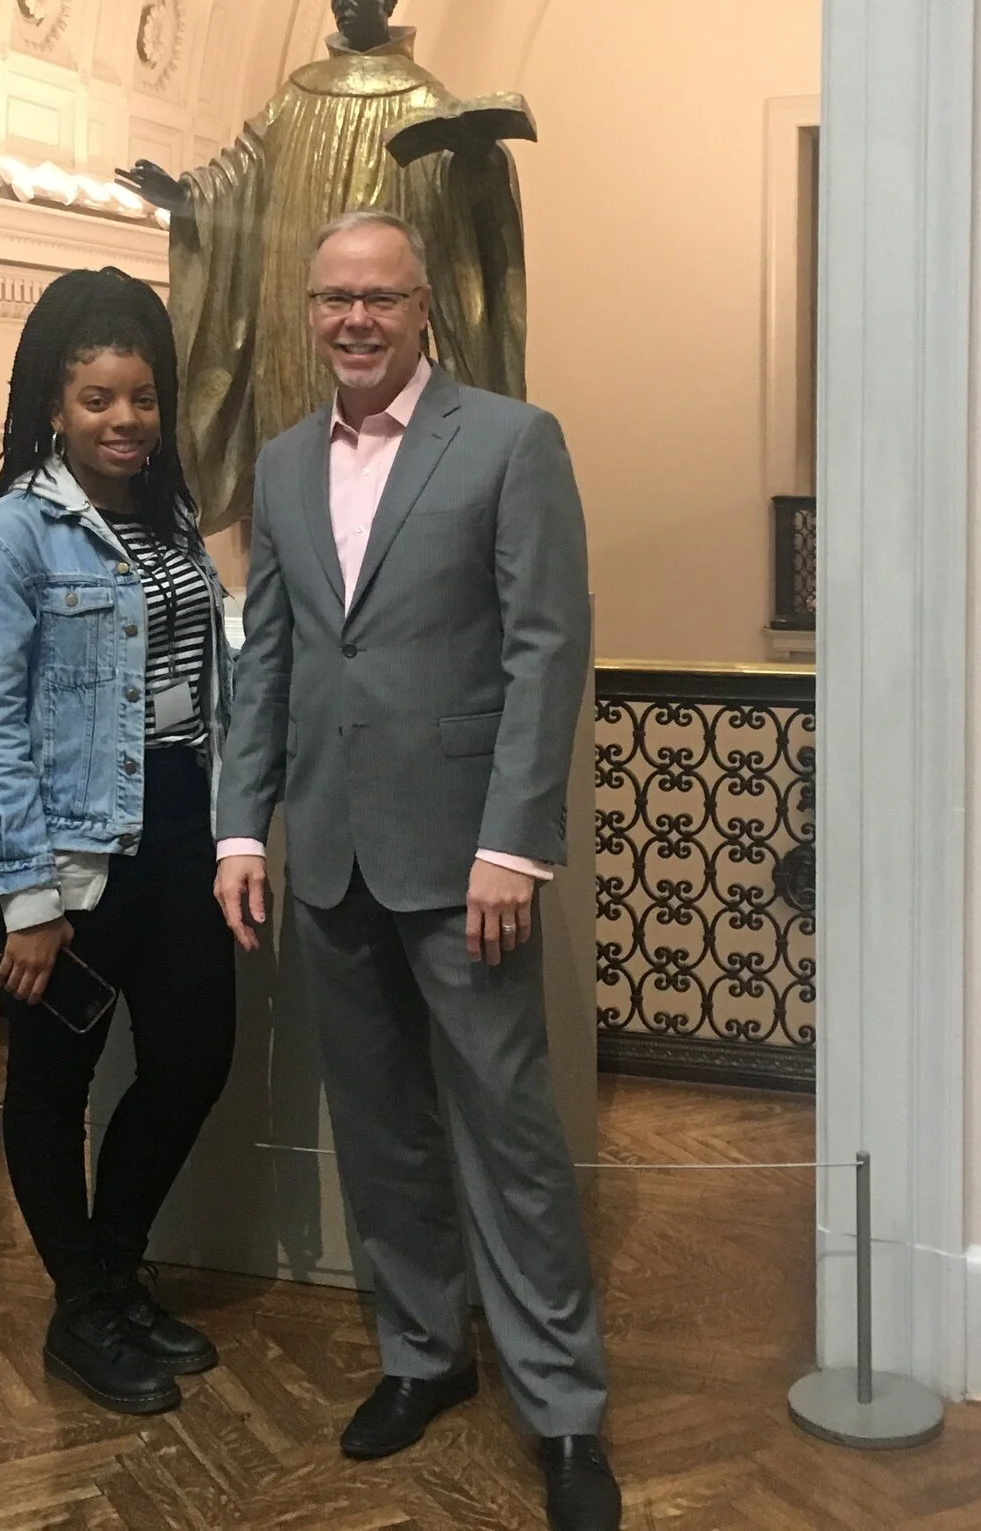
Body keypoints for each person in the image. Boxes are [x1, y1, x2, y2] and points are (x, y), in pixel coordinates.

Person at [214, 212, 620, 1531]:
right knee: (377, 1123)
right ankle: (422, 1353)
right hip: (326, 853)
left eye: (380, 298)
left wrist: (514, 840)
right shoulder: (280, 465)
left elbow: (544, 649)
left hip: (464, 862)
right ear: (310, 311)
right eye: (335, 298)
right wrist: (239, 827)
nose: (356, 320)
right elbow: (266, 656)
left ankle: (562, 1408)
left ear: (424, 306)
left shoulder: (510, 440)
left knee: (508, 1129)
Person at [0, 267, 236, 1417]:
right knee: (51, 1084)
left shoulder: (167, 519)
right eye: (99, 400)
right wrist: (26, 897)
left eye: (143, 399)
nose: (126, 422)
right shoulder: (7, 539)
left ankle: (112, 1268)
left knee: (192, 1058)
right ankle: (79, 1308)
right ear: (53, 408)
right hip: (71, 860)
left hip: (180, 835)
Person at [117, 0, 532, 527]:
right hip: (298, 315)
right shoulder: (298, 93)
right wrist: (188, 197)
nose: (343, 3)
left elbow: (460, 208)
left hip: (375, 323)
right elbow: (245, 169)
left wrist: (476, 162)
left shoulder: (423, 98)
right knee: (295, 460)